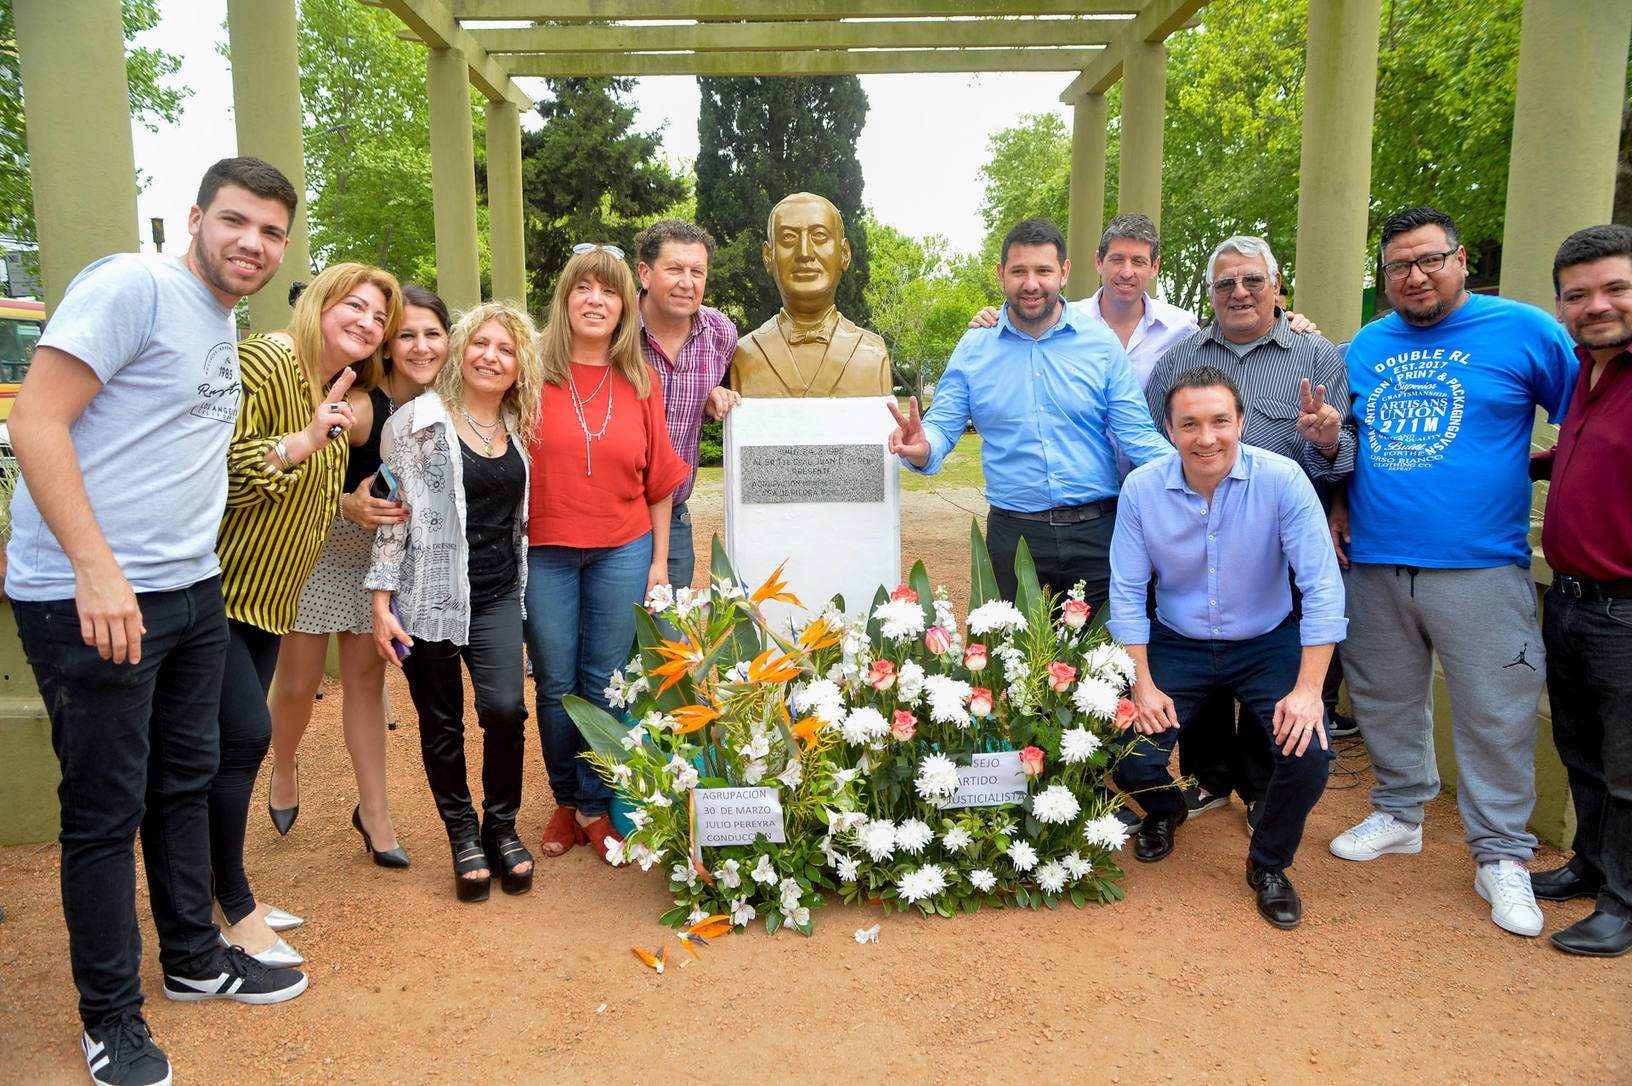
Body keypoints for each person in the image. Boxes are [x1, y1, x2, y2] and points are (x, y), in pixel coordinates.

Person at [6, 156, 308, 1086]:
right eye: (235, 222)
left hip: (191, 587)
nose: (251, 244)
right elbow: (37, 422)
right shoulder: (132, 285)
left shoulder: (219, 320)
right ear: (194, 218)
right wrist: (97, 572)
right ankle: (110, 1019)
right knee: (105, 812)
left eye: (270, 231)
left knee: (185, 783)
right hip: (90, 595)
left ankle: (191, 956)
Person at [1327, 207, 1577, 939]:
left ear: (1461, 260)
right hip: (1375, 560)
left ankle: (1501, 854)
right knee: (1382, 695)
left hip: (1480, 564)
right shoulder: (1367, 345)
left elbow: (1590, 419)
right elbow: (1344, 440)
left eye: (1429, 260)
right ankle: (1401, 811)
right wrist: (1340, 504)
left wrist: (1543, 469)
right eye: (1399, 265)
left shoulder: (1524, 330)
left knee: (1496, 711)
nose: (1415, 276)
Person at [212, 262, 402, 962]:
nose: (365, 322)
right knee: (239, 741)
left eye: (377, 316)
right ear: (320, 302)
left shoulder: (338, 388)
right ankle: (229, 905)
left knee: (229, 744)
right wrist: (302, 443)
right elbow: (219, 468)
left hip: (268, 595)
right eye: (354, 305)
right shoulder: (267, 358)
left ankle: (225, 896)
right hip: (217, 590)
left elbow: (318, 502)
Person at [1109, 366, 1344, 929]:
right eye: (1189, 424)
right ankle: (1167, 811)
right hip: (1178, 640)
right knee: (1127, 755)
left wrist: (1310, 692)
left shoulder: (1284, 480)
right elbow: (1125, 590)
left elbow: (1321, 584)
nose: (1206, 437)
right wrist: (1141, 684)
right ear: (1169, 429)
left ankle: (1268, 863)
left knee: (1308, 754)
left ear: (1241, 422)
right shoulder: (1143, 488)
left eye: (1220, 421)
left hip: (1267, 641)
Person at [1142, 236, 1354, 830]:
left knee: (1272, 658)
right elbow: (1149, 438)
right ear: (1210, 295)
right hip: (1198, 527)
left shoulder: (1317, 356)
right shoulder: (1178, 359)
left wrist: (1328, 441)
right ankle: (1209, 778)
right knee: (1201, 648)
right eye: (1225, 283)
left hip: (1282, 533)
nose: (1240, 292)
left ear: (1277, 285)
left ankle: (1263, 785)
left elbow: (1346, 452)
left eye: (1252, 280)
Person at [886, 216, 1171, 610]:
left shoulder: (1102, 345)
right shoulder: (974, 348)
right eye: (1019, 271)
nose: (1031, 283)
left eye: (1043, 271)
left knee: (1106, 665)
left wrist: (1199, 476)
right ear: (1002, 274)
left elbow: (1138, 435)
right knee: (1013, 669)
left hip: (1099, 536)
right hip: (1013, 539)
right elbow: (941, 426)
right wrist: (923, 447)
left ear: (1065, 272)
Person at [265, 285, 452, 866]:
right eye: (406, 335)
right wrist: (348, 503)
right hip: (325, 548)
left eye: (432, 335)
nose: (421, 347)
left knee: (367, 685)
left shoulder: (447, 403)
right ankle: (284, 763)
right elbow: (311, 476)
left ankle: (375, 815)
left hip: (386, 559)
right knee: (297, 683)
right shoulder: (366, 405)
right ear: (389, 347)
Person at [369, 302, 544, 903]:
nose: (491, 357)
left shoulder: (517, 431)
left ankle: (501, 825)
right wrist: (381, 602)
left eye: (506, 349)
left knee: (505, 712)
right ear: (462, 350)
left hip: (496, 597)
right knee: (440, 723)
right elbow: (393, 520)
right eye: (481, 344)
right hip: (428, 600)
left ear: (520, 366)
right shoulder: (419, 421)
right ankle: (462, 832)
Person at [523, 245, 689, 862]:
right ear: (565, 297)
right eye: (584, 288)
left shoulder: (639, 379)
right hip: (545, 552)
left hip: (623, 548)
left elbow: (661, 480)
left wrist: (656, 564)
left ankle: (593, 804)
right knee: (556, 683)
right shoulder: (528, 373)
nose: (597, 300)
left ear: (625, 305)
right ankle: (563, 798)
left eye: (610, 291)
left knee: (606, 681)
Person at [1528, 224, 1632, 957]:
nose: (1596, 304)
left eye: (1615, 288)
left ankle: (1624, 904)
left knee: (1629, 767)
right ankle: (1592, 867)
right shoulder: (1587, 372)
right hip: (1569, 599)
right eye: (1578, 294)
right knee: (1583, 748)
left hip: (1626, 608)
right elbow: (1587, 452)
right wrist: (1535, 462)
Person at [634, 221, 740, 588]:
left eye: (697, 272)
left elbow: (710, 401)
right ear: (645, 273)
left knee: (668, 638)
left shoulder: (720, 334)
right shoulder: (615, 332)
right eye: (675, 269)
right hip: (614, 519)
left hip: (675, 519)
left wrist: (715, 396)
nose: (687, 282)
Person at [730, 192, 893, 398]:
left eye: (819, 236)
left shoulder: (872, 352)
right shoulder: (745, 354)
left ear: (844, 254)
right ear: (768, 256)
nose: (804, 252)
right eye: (788, 237)